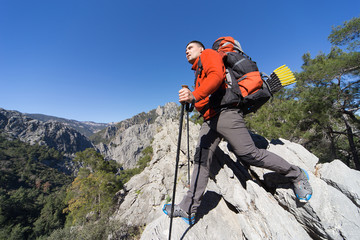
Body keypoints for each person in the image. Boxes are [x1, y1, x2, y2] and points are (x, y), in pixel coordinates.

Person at [163, 40, 313, 225]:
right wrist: (192, 102)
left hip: (226, 113)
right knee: (201, 160)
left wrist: (194, 95)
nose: (186, 51)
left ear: (201, 49)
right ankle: (188, 209)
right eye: (185, 49)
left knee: (249, 153)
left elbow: (217, 76)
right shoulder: (198, 71)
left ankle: (296, 174)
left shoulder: (208, 55)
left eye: (190, 47)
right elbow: (207, 94)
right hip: (210, 120)